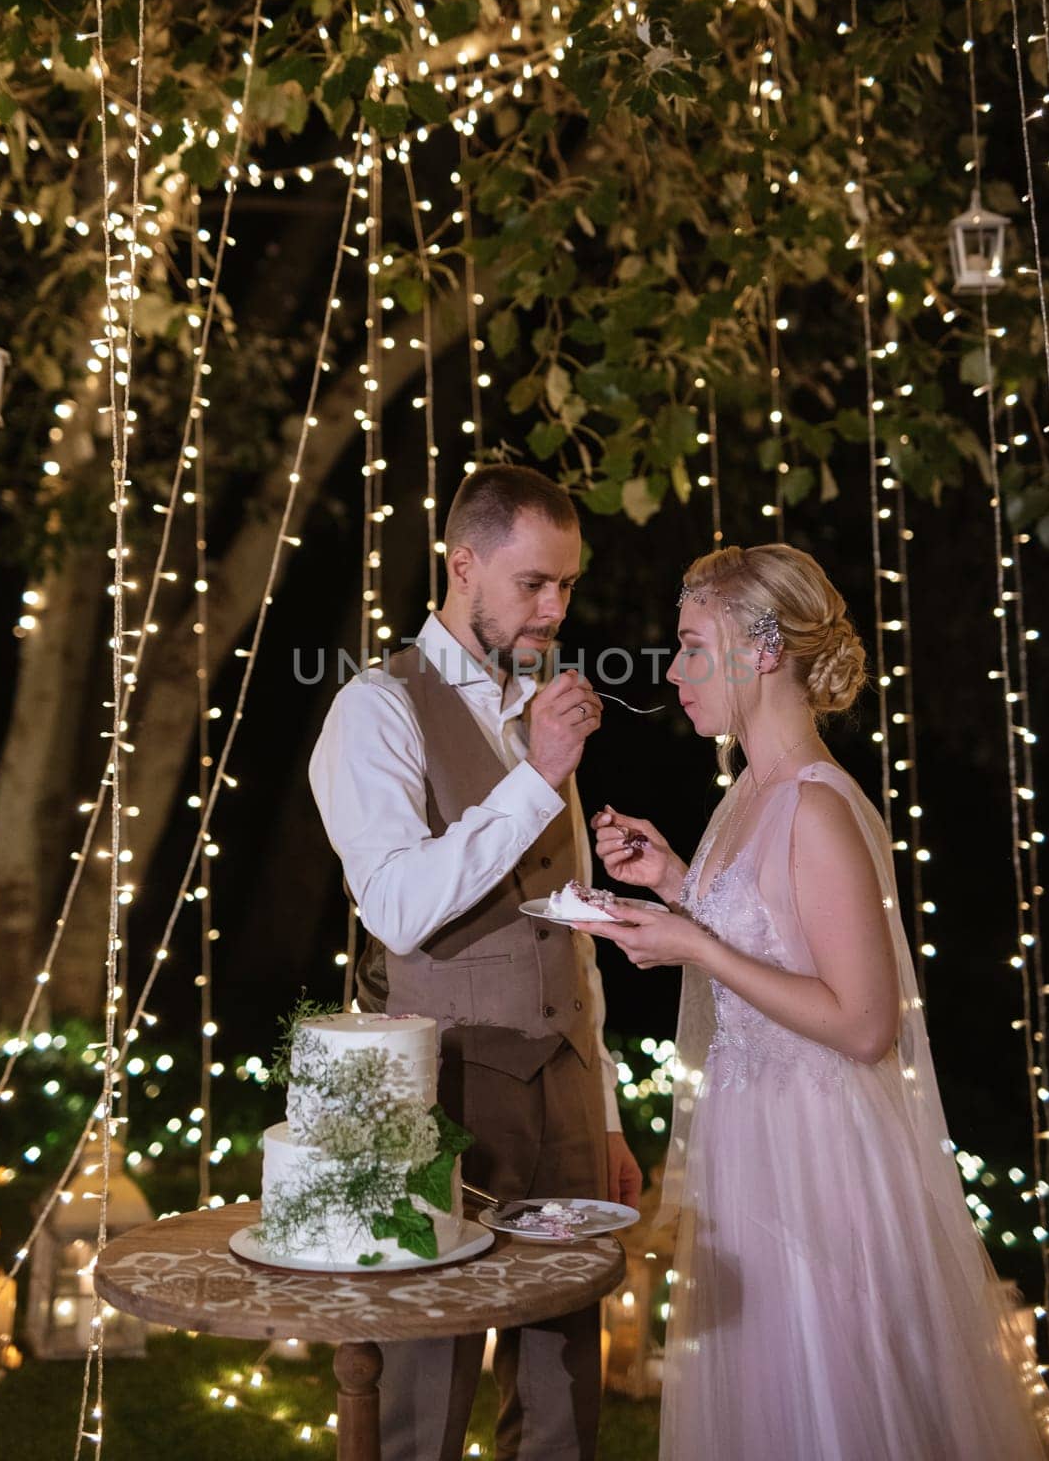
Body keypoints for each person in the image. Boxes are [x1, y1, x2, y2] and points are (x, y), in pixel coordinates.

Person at [583, 542, 1049, 1460]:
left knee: (831, 1392)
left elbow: (865, 1023)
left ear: (762, 650)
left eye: (690, 644)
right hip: (752, 1137)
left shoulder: (819, 806)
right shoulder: (747, 793)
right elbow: (770, 929)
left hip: (818, 1152)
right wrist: (677, 884)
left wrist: (694, 945)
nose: (674, 670)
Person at [309, 463, 641, 1461]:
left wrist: (608, 1107)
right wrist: (537, 778)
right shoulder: (375, 710)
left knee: (563, 1399)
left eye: (568, 586)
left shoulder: (542, 700)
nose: (555, 609)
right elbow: (400, 907)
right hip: (438, 1098)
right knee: (422, 1394)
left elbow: (562, 918)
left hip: (567, 1092)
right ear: (462, 565)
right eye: (534, 583)